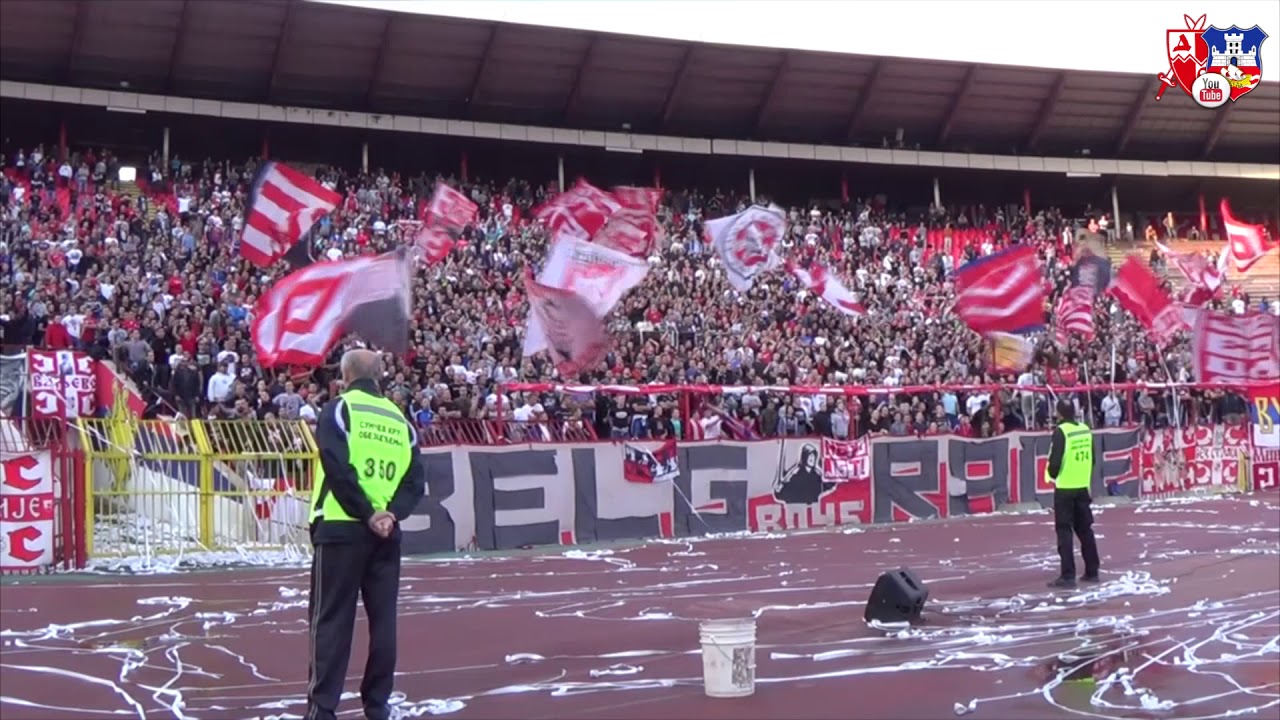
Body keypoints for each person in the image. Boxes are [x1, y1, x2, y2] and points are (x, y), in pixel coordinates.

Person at [306, 349, 425, 720]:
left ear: (344, 376)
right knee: (383, 622)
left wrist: (366, 512)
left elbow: (336, 466)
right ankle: (377, 705)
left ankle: (323, 709)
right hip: (387, 534)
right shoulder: (401, 421)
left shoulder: (339, 410)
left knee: (331, 621)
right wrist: (390, 515)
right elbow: (415, 480)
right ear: (380, 377)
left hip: (342, 526)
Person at [1045, 398, 1100, 589]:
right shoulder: (1085, 429)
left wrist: (1052, 475)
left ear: (1059, 413)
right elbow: (1092, 458)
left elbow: (1055, 462)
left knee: (1064, 531)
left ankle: (1068, 575)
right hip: (1082, 486)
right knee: (1085, 530)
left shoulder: (1061, 432)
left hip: (1065, 488)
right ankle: (1092, 571)